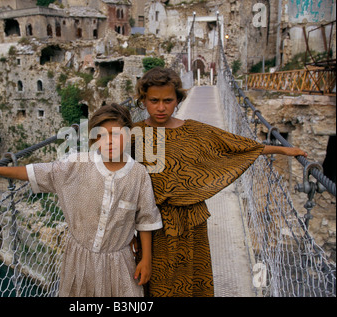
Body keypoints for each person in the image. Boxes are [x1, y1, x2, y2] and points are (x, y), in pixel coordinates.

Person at [132, 67, 308, 297]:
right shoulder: (135, 134)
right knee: (157, 284)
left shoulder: (194, 130)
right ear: (143, 100)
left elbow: (237, 146)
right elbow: (124, 186)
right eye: (154, 100)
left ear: (178, 99)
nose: (161, 107)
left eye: (168, 100)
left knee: (191, 282)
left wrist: (284, 150)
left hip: (191, 222)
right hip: (153, 225)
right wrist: (128, 235)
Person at [0, 104, 162, 297]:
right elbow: (40, 172)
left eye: (116, 134)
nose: (109, 142)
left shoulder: (138, 175)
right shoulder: (77, 165)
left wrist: (146, 259)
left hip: (119, 263)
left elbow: (145, 219)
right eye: (102, 136)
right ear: (94, 140)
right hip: (79, 260)